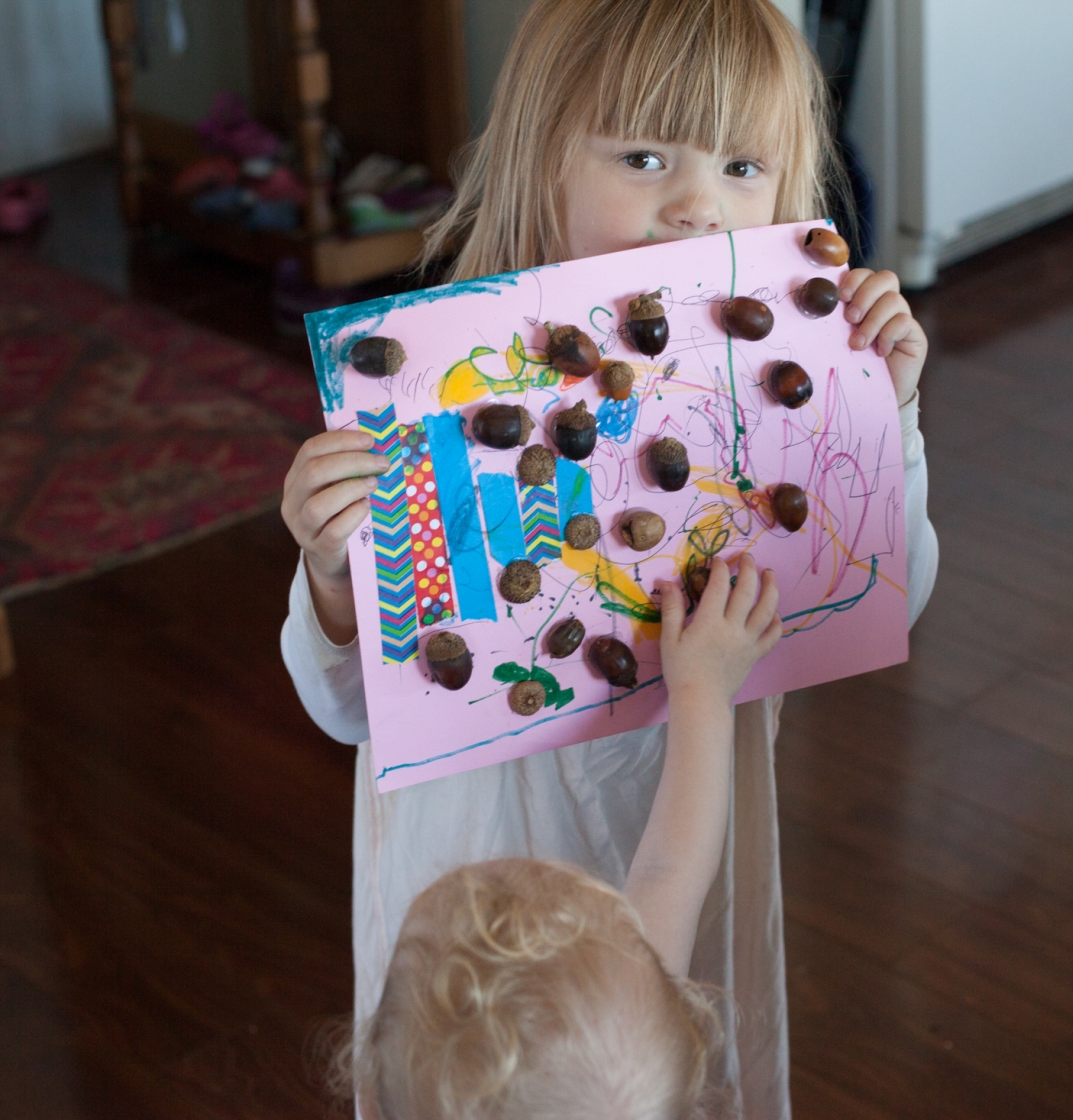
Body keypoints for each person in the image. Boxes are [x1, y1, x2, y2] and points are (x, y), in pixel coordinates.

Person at [280, 0, 940, 1114]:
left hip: (677, 821)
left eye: (743, 166)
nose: (697, 205)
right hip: (473, 879)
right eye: (643, 155)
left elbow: (884, 598)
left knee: (666, 1067)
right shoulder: (435, 396)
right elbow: (347, 707)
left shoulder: (772, 393)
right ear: (546, 161)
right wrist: (334, 575)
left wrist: (888, 415)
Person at [346, 559, 781, 1119]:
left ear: (372, 1103)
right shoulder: (631, 1035)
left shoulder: (635, 1039)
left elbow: (670, 872)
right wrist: (702, 689)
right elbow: (669, 871)